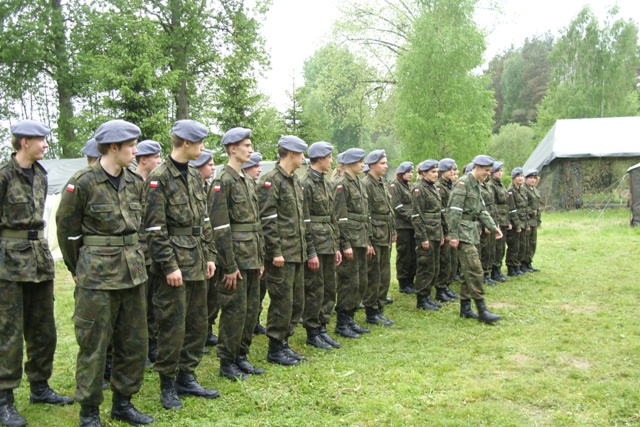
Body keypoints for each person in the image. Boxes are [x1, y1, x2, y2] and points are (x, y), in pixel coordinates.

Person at [57, 119, 153, 427]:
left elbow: (141, 227)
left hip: (133, 274)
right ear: (113, 147)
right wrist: (78, 268)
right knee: (94, 345)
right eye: (131, 146)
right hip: (97, 277)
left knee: (133, 342)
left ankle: (123, 403)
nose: (135, 151)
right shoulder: (83, 182)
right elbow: (67, 232)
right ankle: (89, 412)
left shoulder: (135, 182)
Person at [0, 120, 73, 427]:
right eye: (41, 139)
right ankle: (4, 399)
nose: (45, 144)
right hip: (8, 264)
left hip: (39, 260)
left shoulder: (41, 174)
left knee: (44, 328)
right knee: (8, 332)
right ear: (24, 142)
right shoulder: (4, 175)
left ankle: (40, 387)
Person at [144, 120, 219, 410]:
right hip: (175, 265)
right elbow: (154, 228)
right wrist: (168, 265)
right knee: (172, 325)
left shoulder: (194, 176)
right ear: (185, 143)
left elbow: (204, 220)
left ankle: (187, 376)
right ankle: (167, 383)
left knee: (197, 323)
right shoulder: (159, 177)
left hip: (197, 260)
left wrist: (210, 255)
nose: (203, 147)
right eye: (199, 142)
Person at [210, 128, 265, 380]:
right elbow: (220, 227)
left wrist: (260, 258)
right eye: (246, 145)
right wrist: (229, 265)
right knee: (234, 311)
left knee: (251, 309)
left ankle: (241, 355)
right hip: (236, 259)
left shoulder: (246, 180)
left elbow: (256, 224)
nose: (250, 150)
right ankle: (227, 361)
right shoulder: (223, 180)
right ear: (233, 149)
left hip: (252, 256)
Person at [257, 136, 308, 366]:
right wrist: (275, 251)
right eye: (301, 153)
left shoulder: (294, 180)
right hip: (282, 254)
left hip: (296, 251)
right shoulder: (271, 180)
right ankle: (275, 347)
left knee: (297, 301)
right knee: (282, 301)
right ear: (291, 153)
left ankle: (285, 341)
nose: (303, 158)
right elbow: (267, 220)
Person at [447, 155, 503, 323]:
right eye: (486, 171)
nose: (488, 174)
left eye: (489, 171)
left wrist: (493, 227)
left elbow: (481, 210)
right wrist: (453, 235)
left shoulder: (477, 185)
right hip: (463, 233)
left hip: (472, 232)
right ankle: (482, 309)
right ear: (477, 168)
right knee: (475, 270)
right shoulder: (463, 184)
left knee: (467, 272)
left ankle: (465, 308)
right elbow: (454, 210)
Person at [300, 141, 343, 349]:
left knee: (328, 287)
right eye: (329, 157)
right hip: (316, 244)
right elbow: (304, 220)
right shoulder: (305, 183)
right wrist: (310, 251)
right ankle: (312, 330)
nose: (332, 161)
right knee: (314, 289)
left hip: (328, 242)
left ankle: (323, 327)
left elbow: (332, 216)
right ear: (319, 159)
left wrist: (336, 245)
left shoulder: (327, 184)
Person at [333, 148, 372, 339]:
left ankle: (351, 318)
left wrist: (368, 240)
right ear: (349, 163)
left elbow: (365, 215)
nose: (363, 164)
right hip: (350, 240)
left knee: (360, 281)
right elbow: (339, 217)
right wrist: (345, 244)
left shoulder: (359, 183)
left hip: (361, 238)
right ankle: (342, 322)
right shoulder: (341, 184)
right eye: (359, 161)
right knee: (348, 282)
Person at [135, 140, 163, 365]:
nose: (160, 161)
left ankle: (152, 346)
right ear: (143, 159)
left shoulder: (155, 183)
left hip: (153, 254)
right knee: (139, 307)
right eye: (156, 157)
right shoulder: (131, 183)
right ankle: (140, 350)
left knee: (153, 305)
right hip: (137, 256)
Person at [189, 149, 219, 355]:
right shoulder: (193, 187)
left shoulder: (208, 187)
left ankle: (206, 330)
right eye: (209, 164)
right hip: (194, 249)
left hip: (210, 246)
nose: (213, 167)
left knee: (211, 296)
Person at [362, 150, 396, 326]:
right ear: (372, 165)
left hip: (385, 234)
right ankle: (371, 311)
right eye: (382, 163)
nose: (386, 166)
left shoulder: (382, 183)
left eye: (386, 163)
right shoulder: (366, 184)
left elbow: (388, 210)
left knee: (384, 275)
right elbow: (365, 215)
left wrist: (393, 230)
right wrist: (367, 240)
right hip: (374, 236)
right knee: (374, 276)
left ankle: (379, 308)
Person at [412, 159, 449, 310]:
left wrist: (442, 234)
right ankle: (422, 299)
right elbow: (417, 216)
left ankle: (428, 296)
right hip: (426, 234)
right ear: (423, 173)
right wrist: (423, 238)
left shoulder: (433, 187)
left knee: (434, 266)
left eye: (437, 172)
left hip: (435, 233)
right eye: (433, 172)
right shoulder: (419, 189)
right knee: (425, 266)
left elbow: (439, 213)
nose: (436, 174)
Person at [242, 153, 268, 336]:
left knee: (260, 287)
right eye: (254, 166)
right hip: (245, 247)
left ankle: (255, 320)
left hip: (259, 243)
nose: (259, 169)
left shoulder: (254, 187)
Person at [389, 162, 416, 294]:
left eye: (412, 172)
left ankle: (410, 280)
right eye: (408, 172)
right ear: (401, 173)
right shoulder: (395, 186)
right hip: (402, 225)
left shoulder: (409, 186)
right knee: (404, 254)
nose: (410, 174)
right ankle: (403, 282)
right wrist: (411, 216)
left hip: (411, 225)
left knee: (413, 254)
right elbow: (397, 206)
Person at [434, 158, 459, 300]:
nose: (453, 172)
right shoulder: (439, 187)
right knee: (444, 259)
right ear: (443, 171)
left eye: (453, 169)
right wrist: (446, 231)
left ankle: (446, 285)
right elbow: (441, 211)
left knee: (452, 259)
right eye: (450, 169)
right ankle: (440, 288)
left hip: (452, 226)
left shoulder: (451, 185)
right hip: (444, 227)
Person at [489, 162, 509, 282]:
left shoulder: (500, 184)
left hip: (504, 218)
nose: (500, 173)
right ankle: (494, 270)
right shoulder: (491, 185)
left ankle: (498, 268)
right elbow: (493, 204)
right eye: (498, 171)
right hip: (497, 218)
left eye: (501, 171)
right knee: (496, 246)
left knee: (501, 246)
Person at [506, 167, 528, 277]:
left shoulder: (521, 190)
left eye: (522, 176)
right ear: (513, 178)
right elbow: (512, 209)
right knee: (514, 246)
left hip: (522, 221)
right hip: (515, 223)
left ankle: (517, 265)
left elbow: (524, 207)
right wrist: (517, 225)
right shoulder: (511, 190)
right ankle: (511, 267)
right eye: (518, 176)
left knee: (521, 245)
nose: (520, 178)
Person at [480, 170, 498, 286]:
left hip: (491, 218)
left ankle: (488, 271)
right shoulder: (476, 188)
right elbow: (480, 208)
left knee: (491, 248)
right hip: (484, 222)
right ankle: (483, 273)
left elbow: (492, 205)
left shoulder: (487, 186)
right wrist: (485, 224)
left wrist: (495, 223)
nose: (486, 174)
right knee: (484, 249)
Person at [521, 169, 541, 272]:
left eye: (534, 178)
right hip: (527, 220)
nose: (533, 180)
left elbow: (537, 205)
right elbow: (524, 206)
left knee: (532, 242)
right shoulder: (524, 189)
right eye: (530, 178)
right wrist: (532, 212)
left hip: (534, 220)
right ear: (526, 179)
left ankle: (528, 262)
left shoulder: (534, 189)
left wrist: (538, 220)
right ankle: (523, 263)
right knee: (526, 243)